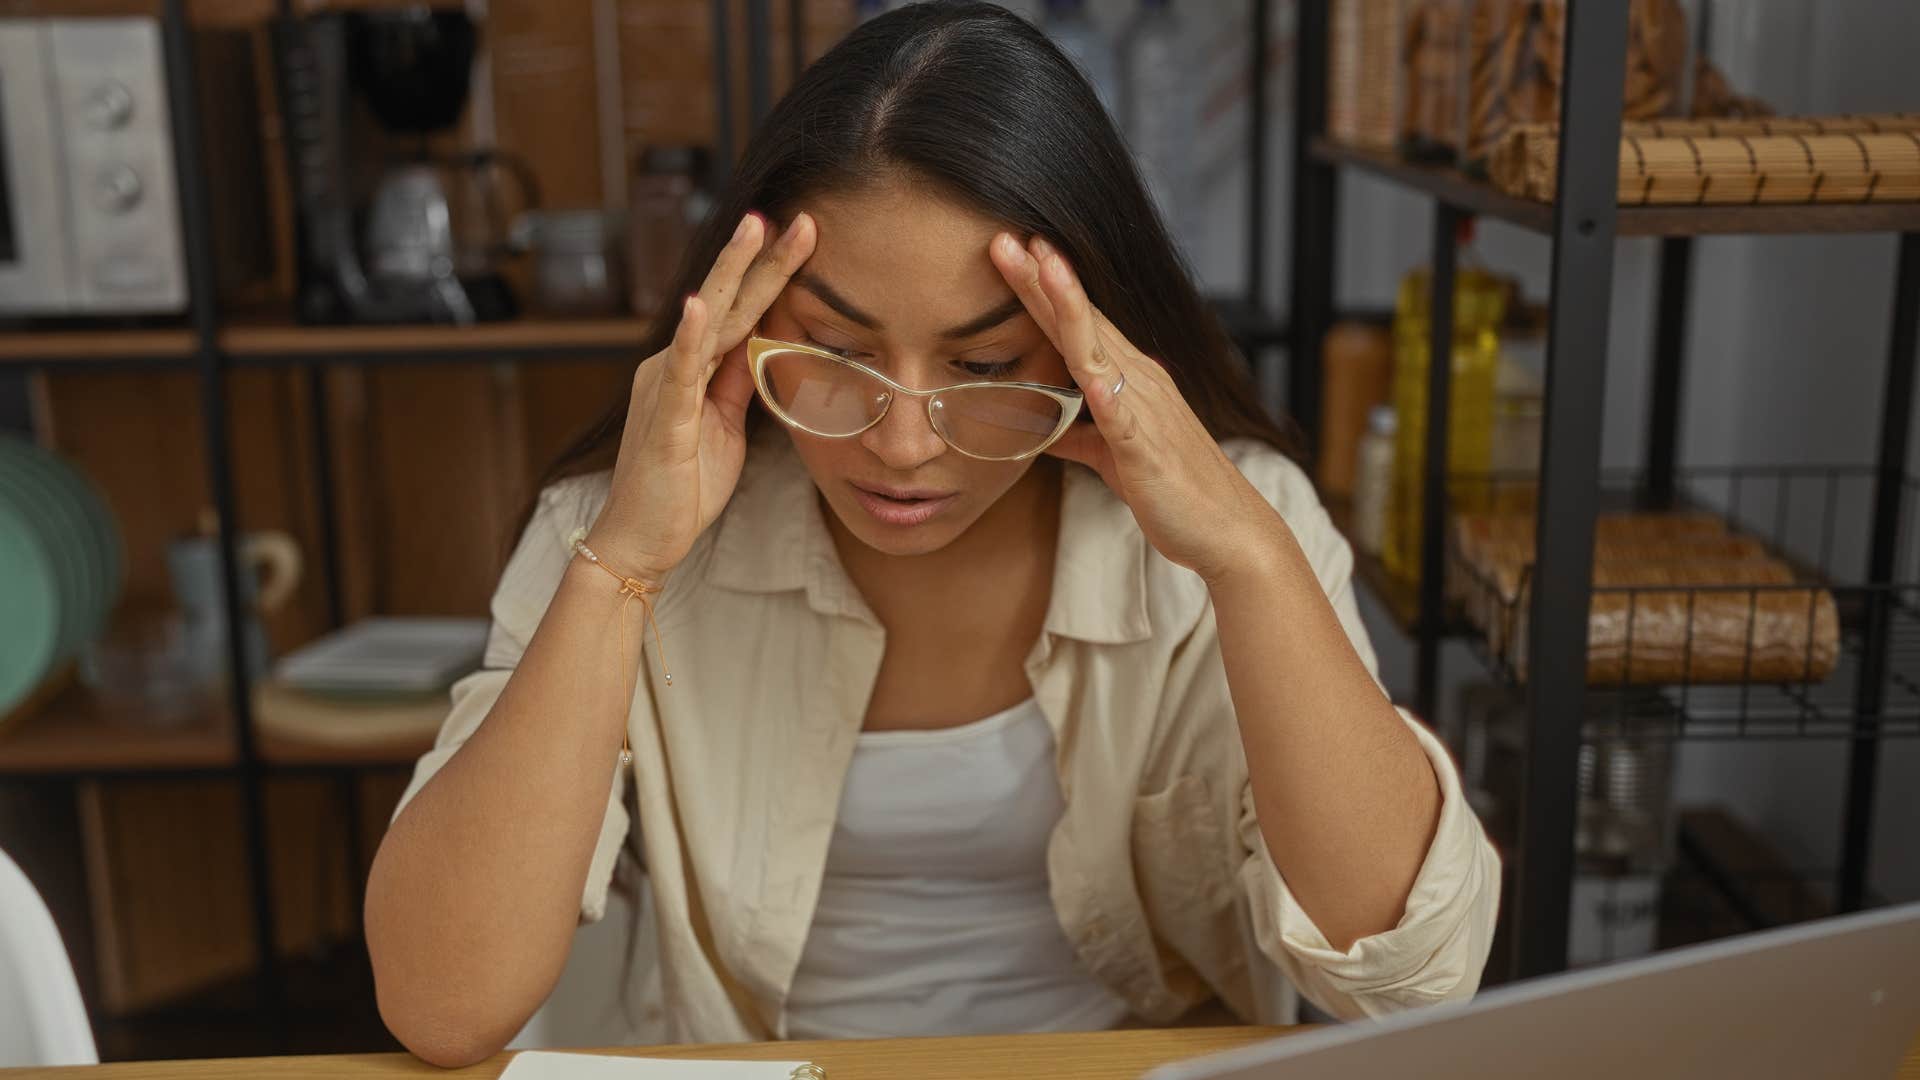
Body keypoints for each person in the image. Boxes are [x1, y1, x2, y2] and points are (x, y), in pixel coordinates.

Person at [364, 2, 1499, 1067]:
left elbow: (1414, 978)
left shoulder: (1233, 526)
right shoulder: (620, 529)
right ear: (743, 325)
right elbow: (444, 1007)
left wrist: (1248, 559)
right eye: (838, 353)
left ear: (1081, 340)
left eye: (987, 366)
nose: (903, 444)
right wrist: (618, 569)